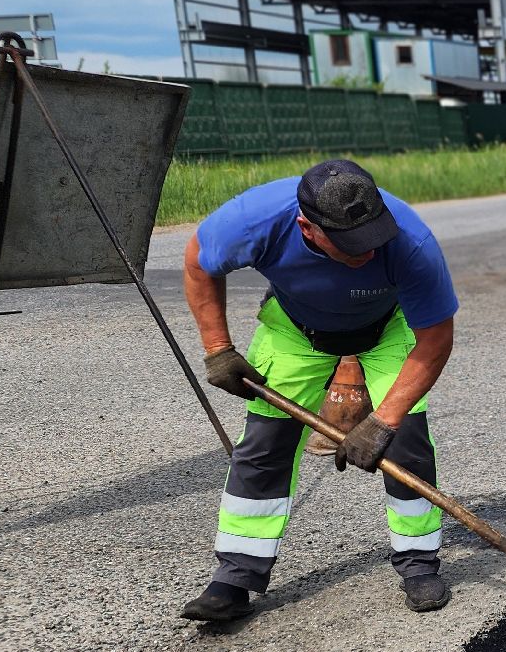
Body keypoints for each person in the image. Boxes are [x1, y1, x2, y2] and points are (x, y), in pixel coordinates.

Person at [178, 159, 458, 621]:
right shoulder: (255, 220)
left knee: (406, 437)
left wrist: (382, 422)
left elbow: (435, 340)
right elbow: (197, 261)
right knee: (266, 444)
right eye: (351, 246)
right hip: (295, 327)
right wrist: (218, 348)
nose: (367, 253)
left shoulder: (410, 241)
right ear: (307, 226)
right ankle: (235, 575)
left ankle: (419, 563)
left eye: (372, 239)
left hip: (387, 328)